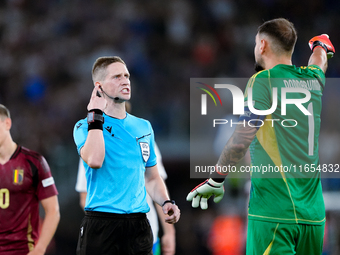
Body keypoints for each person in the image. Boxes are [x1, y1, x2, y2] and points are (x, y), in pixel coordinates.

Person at [187, 18, 335, 255]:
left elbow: (243, 136)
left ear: (263, 45)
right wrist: (321, 45)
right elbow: (320, 62)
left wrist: (215, 180)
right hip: (313, 216)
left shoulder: (262, 81)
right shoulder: (312, 80)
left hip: (274, 214)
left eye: (256, 43)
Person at [73, 56, 180, 255]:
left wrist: (165, 202)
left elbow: (152, 177)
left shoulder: (144, 127)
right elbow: (95, 160)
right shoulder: (83, 126)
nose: (125, 81)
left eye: (127, 76)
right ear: (99, 86)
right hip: (101, 224)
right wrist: (95, 114)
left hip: (139, 226)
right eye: (116, 77)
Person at [75, 141, 176, 255]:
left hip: (145, 236)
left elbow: (156, 185)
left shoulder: (143, 133)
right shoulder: (91, 143)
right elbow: (85, 198)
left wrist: (169, 232)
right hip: (108, 239)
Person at [0, 104, 60, 255]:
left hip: (23, 250)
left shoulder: (34, 162)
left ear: (7, 123)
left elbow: (53, 210)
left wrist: (40, 249)